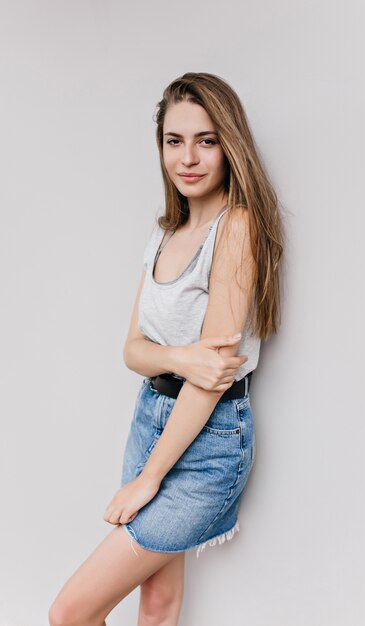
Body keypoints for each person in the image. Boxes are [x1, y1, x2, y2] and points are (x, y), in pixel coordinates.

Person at [49, 72, 284, 626]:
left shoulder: (237, 228)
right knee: (157, 603)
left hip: (207, 441)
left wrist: (149, 478)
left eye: (206, 140)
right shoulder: (164, 233)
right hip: (150, 419)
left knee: (70, 613)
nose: (188, 158)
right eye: (174, 141)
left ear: (230, 145)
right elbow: (133, 350)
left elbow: (212, 380)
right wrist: (180, 356)